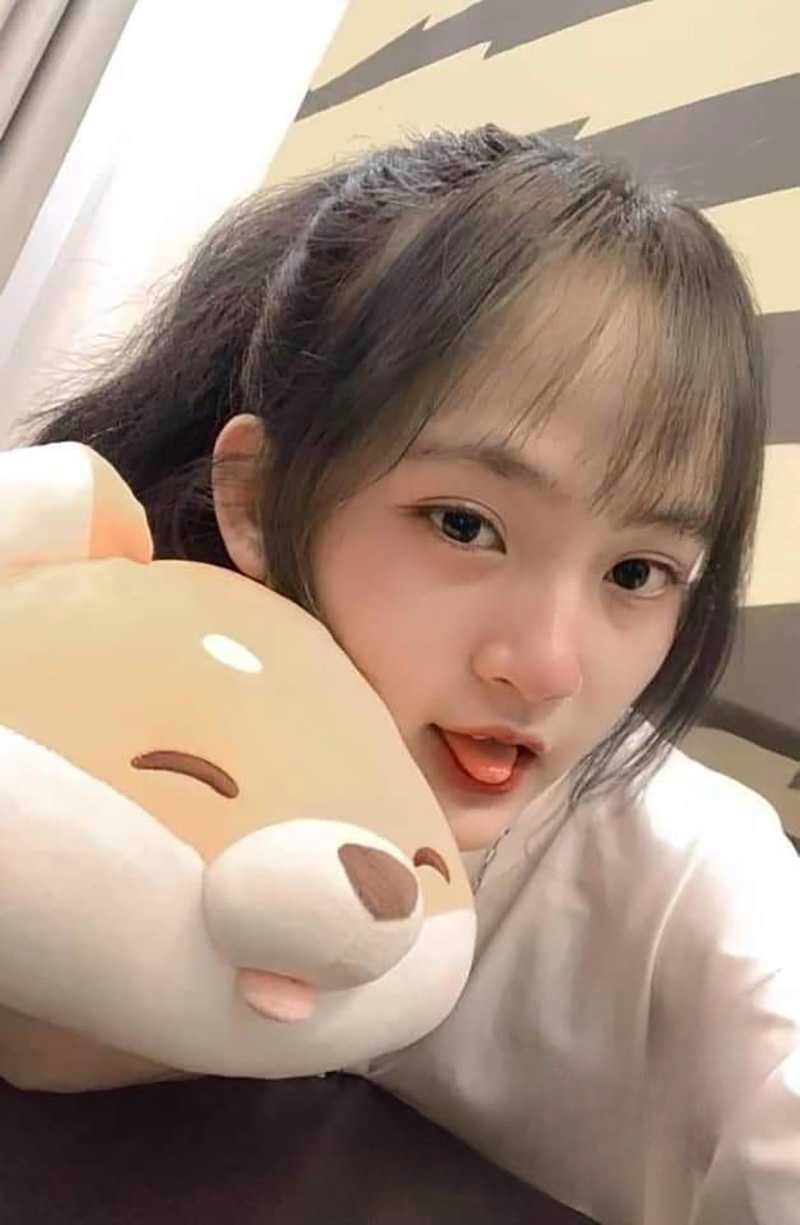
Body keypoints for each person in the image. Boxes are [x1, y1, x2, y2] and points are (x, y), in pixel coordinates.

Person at [3, 125, 800, 1224]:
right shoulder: (84, 713)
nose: (545, 666)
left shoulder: (691, 884)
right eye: (464, 524)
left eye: (637, 573)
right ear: (256, 499)